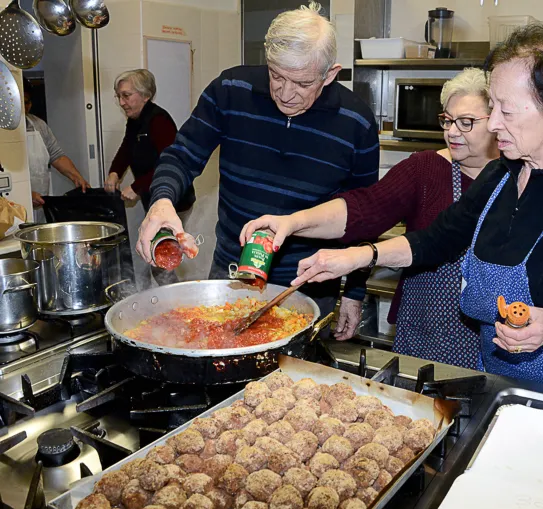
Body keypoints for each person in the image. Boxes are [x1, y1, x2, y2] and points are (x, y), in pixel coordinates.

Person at [252, 25, 543, 398]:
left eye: (506, 110)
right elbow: (436, 240)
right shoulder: (501, 177)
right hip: (501, 387)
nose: (494, 125)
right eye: (493, 108)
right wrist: (354, 257)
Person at [136, 2, 379, 337]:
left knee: (290, 382)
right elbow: (181, 155)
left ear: (330, 74)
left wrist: (353, 292)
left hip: (308, 280)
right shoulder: (231, 91)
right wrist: (162, 201)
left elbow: (364, 214)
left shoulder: (357, 122)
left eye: (302, 82)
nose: (286, 93)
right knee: (217, 366)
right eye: (276, 75)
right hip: (232, 271)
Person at [241, 68, 499, 367]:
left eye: (466, 122)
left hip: (502, 335)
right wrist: (293, 222)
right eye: (448, 120)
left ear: (497, 122)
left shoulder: (519, 177)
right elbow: (364, 208)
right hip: (429, 331)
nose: (453, 131)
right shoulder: (424, 169)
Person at [105, 69, 195, 286]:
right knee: (159, 259)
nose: (122, 102)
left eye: (127, 95)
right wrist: (115, 171)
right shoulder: (134, 120)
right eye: (119, 96)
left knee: (161, 260)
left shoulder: (159, 121)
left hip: (175, 202)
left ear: (145, 95)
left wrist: (136, 186)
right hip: (152, 198)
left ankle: (178, 307)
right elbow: (127, 147)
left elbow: (170, 163)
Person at [24, 80, 90, 222]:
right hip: (11, 208)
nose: (24, 108)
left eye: (27, 102)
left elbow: (57, 156)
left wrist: (76, 177)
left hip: (40, 205)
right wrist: (26, 195)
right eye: (20, 103)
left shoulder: (38, 125)